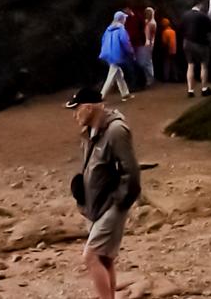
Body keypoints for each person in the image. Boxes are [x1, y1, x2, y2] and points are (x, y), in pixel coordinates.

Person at [66, 86, 141, 299]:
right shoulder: (90, 131)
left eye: (76, 109)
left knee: (90, 257)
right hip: (96, 206)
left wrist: (120, 201)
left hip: (112, 205)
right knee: (105, 258)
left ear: (88, 107)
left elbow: (131, 172)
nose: (74, 115)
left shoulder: (116, 131)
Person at [181, 2, 211, 97]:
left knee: (190, 65)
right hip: (200, 43)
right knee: (203, 66)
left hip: (187, 43)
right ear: (201, 9)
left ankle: (190, 90)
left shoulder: (184, 15)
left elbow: (181, 28)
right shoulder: (203, 16)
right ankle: (204, 89)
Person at [136, 8, 157, 88]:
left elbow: (148, 35)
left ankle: (150, 79)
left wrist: (147, 42)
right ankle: (149, 79)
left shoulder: (149, 23)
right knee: (147, 62)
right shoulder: (152, 22)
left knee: (146, 62)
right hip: (149, 43)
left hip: (147, 44)